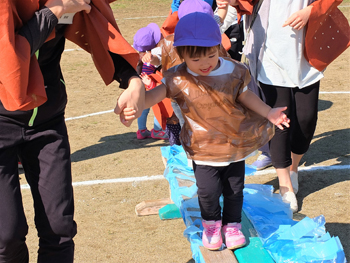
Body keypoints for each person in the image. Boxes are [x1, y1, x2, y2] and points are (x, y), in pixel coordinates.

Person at [119, 12, 290, 251]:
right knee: (208, 191)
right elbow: (152, 97)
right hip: (203, 148)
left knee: (234, 189)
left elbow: (245, 95)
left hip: (234, 144)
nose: (206, 63)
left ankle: (232, 225)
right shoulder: (177, 77)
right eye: (197, 59)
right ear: (182, 54)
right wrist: (135, 101)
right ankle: (211, 224)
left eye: (211, 54)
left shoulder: (232, 70)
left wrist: (269, 112)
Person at [0, 0, 144, 262]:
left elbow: (99, 31)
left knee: (60, 229)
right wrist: (54, 12)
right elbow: (8, 58)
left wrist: (133, 80)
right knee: (5, 237)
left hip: (47, 122)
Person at [236, 0, 350, 212]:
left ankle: (294, 167)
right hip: (269, 51)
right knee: (279, 120)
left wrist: (311, 11)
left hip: (306, 52)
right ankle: (285, 183)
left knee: (307, 118)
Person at [133, 23, 169, 140]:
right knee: (159, 105)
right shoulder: (153, 55)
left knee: (144, 106)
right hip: (151, 82)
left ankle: (141, 130)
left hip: (141, 83)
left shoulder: (139, 56)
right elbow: (152, 72)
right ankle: (158, 130)